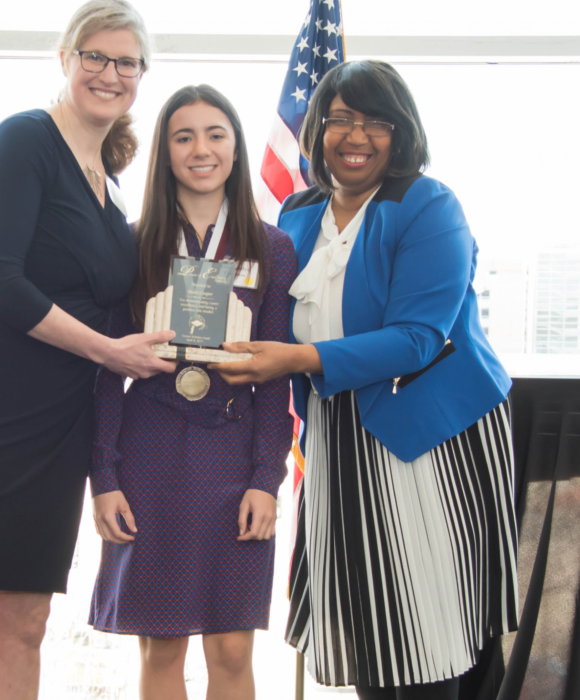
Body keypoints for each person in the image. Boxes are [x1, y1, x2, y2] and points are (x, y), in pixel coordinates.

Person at [213, 60, 518, 700]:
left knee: (428, 626)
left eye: (376, 121)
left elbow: (417, 338)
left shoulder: (427, 204)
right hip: (335, 434)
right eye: (341, 118)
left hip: (427, 433)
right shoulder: (298, 212)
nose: (356, 135)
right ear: (317, 130)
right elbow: (258, 301)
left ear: (400, 131)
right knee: (365, 619)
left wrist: (294, 359)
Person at [0, 3, 175, 699]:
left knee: (24, 625)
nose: (109, 73)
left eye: (126, 62)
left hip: (56, 420)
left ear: (142, 74)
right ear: (65, 58)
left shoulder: (108, 181)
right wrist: (110, 353)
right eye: (95, 56)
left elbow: (113, 297)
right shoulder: (23, 141)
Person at [88, 85, 297, 700]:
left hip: (234, 456)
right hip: (148, 456)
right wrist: (104, 477)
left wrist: (266, 478)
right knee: (162, 646)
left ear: (235, 148)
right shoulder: (130, 244)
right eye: (184, 136)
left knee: (232, 648)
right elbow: (105, 371)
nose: (201, 149)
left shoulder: (271, 247)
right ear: (165, 151)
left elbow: (274, 376)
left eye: (215, 135)